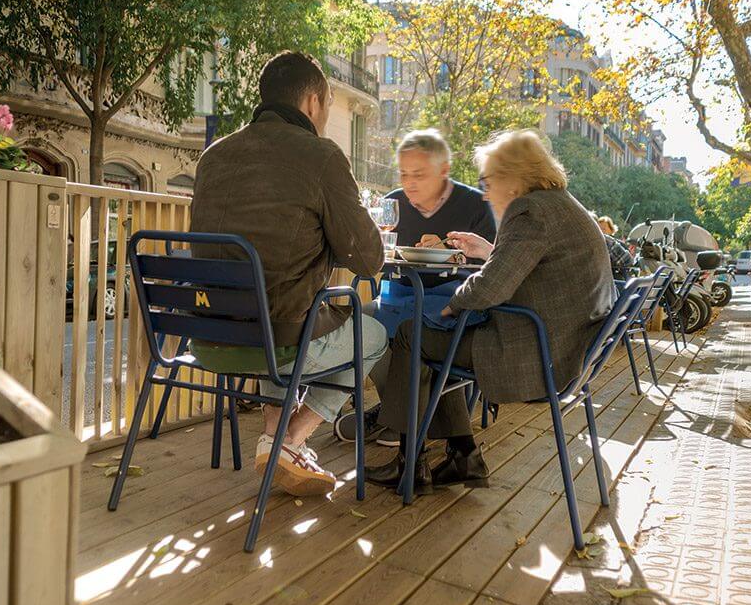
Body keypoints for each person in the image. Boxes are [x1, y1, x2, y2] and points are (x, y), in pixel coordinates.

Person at [364, 130, 615, 491]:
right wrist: (489, 250)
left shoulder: (529, 211)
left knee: (412, 334)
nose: (485, 191)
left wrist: (453, 303)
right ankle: (463, 455)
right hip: (567, 346)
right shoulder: (559, 204)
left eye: (488, 180)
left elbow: (490, 288)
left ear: (512, 179)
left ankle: (410, 465)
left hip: (536, 352)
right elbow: (520, 267)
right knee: (437, 336)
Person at [188, 51, 387, 497]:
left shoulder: (214, 156)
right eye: (330, 104)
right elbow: (369, 259)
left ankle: (274, 437)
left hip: (207, 338)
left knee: (274, 305)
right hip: (271, 345)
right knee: (371, 335)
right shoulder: (321, 156)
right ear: (313, 102)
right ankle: (289, 441)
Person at [334, 129, 496, 447]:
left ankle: (400, 420)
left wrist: (449, 251)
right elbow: (377, 252)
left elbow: (490, 266)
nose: (409, 183)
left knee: (409, 330)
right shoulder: (392, 203)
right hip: (398, 296)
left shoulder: (475, 205)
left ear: (444, 171)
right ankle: (401, 414)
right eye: (404, 173)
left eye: (419, 174)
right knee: (361, 324)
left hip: (451, 302)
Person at [596, 214, 633, 280]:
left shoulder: (617, 244)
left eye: (603, 229)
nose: (600, 231)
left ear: (611, 230)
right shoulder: (596, 243)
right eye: (599, 228)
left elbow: (628, 263)